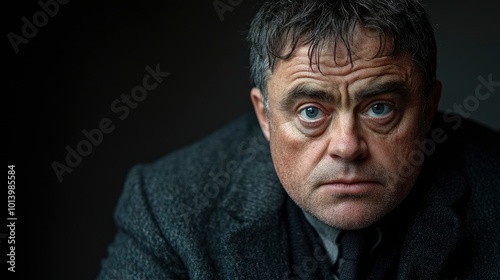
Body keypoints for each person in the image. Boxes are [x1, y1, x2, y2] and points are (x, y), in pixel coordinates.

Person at [97, 0, 500, 279]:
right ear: (265, 115)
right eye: (311, 111)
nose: (347, 146)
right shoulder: (170, 209)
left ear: (429, 109)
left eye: (379, 108)